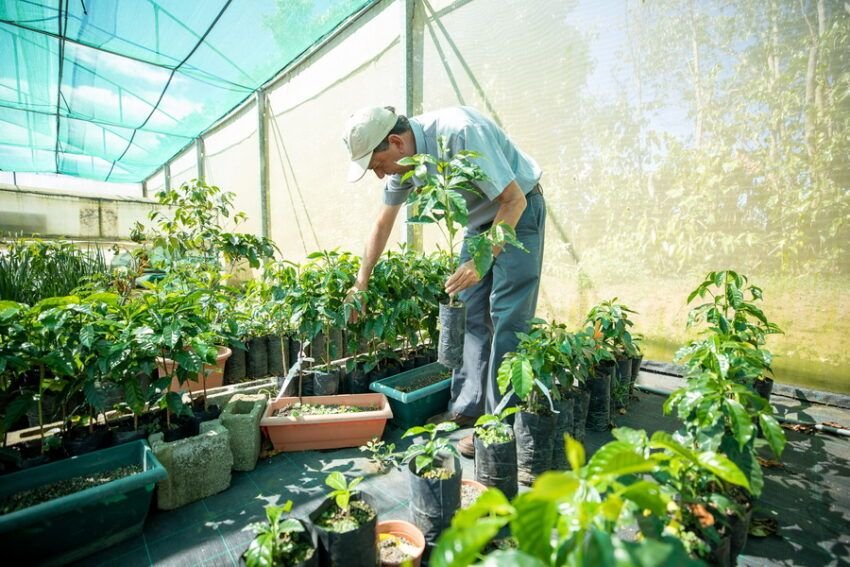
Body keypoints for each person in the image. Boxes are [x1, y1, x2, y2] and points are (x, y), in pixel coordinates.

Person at [343, 105, 546, 457]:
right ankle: (468, 408)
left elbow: (511, 200)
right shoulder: (405, 163)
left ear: (396, 142)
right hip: (477, 224)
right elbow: (382, 223)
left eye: (378, 166)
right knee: (468, 312)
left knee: (508, 318)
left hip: (519, 212)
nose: (380, 176)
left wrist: (482, 260)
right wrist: (361, 282)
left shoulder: (461, 133)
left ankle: (500, 426)